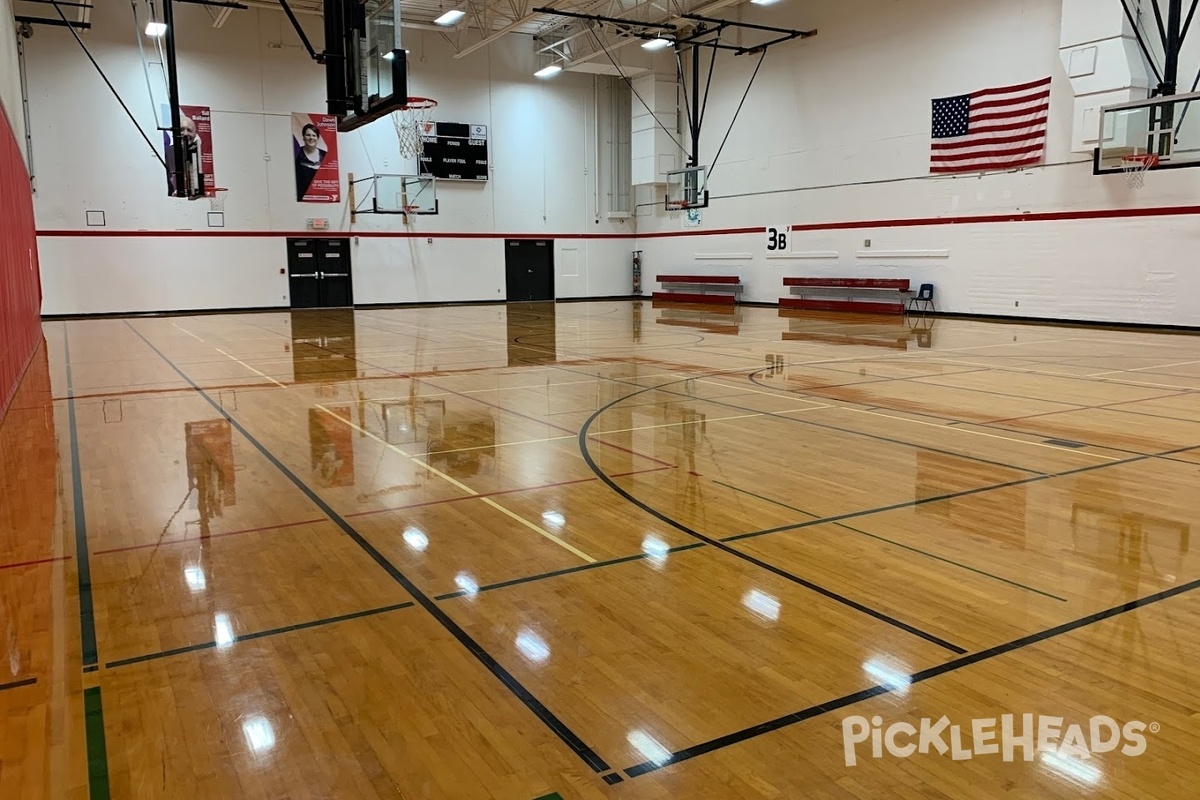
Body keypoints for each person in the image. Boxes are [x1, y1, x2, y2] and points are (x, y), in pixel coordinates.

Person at [295, 123, 325, 200]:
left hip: (322, 196)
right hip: (301, 197)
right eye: (308, 135)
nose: (311, 138)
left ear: (318, 138)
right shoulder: (297, 154)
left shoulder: (325, 155)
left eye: (314, 135)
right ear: (303, 137)